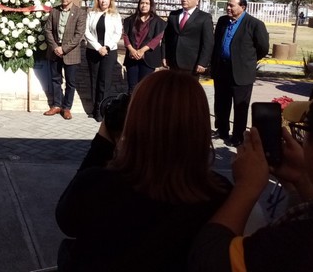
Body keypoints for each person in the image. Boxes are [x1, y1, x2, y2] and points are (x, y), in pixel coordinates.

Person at [56, 70, 231, 272]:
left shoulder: (98, 184)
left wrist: (104, 141)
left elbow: (67, 221)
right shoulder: (220, 195)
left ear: (135, 121)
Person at [189, 103, 313, 272]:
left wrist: (246, 187)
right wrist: (303, 181)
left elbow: (209, 259)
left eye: (304, 131)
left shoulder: (296, 242)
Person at [211, 0, 269, 147]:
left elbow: (263, 48)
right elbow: (217, 42)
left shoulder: (255, 24)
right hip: (222, 69)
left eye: (232, 6)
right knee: (221, 103)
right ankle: (222, 130)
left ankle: (238, 136)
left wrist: (247, 60)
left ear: (243, 7)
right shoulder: (223, 21)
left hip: (242, 72)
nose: (228, 8)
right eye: (227, 5)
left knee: (240, 106)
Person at [43, 0, 87, 120]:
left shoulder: (80, 13)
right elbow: (47, 30)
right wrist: (55, 47)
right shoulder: (54, 11)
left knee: (70, 82)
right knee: (55, 80)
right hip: (55, 52)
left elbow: (79, 35)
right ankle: (56, 105)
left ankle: (66, 107)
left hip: (70, 53)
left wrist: (64, 48)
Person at [84, 0, 123, 119]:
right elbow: (86, 32)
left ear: (110, 0)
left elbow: (118, 33)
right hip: (93, 51)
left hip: (109, 52)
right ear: (97, 0)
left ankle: (102, 110)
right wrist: (98, 47)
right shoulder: (91, 14)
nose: (104, 1)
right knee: (94, 80)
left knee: (105, 81)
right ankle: (95, 110)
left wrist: (106, 47)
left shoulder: (115, 15)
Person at [162, 0, 213, 74]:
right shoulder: (173, 15)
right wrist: (164, 56)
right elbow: (166, 38)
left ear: (197, 0)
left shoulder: (204, 17)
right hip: (173, 63)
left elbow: (208, 42)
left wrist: (203, 62)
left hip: (192, 65)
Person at [122, 0, 167, 93]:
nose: (144, 5)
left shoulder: (158, 22)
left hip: (148, 58)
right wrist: (131, 50)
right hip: (132, 57)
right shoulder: (130, 20)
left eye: (147, 3)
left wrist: (142, 50)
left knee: (144, 87)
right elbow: (125, 35)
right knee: (132, 87)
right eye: (142, 3)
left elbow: (157, 38)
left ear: (151, 5)